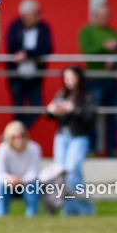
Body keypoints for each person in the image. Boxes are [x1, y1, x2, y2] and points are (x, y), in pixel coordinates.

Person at [46, 66, 97, 216]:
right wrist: (51, 110)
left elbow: (90, 118)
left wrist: (73, 109)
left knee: (73, 173)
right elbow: (48, 115)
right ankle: (69, 211)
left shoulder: (87, 96)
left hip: (79, 137)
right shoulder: (61, 94)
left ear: (79, 78)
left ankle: (87, 209)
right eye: (66, 78)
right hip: (62, 137)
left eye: (72, 77)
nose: (69, 81)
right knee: (61, 174)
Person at [78, 3, 117, 156]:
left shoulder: (112, 32)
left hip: (111, 79)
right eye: (103, 15)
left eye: (107, 15)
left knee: (114, 116)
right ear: (95, 15)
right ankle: (92, 150)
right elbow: (86, 51)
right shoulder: (87, 31)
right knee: (92, 115)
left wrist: (115, 58)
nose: (105, 18)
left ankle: (112, 150)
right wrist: (104, 46)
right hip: (94, 79)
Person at [5, 0, 53, 129]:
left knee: (37, 109)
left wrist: (27, 53)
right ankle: (17, 134)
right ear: (24, 15)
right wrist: (22, 54)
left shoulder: (44, 28)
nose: (39, 16)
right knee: (18, 110)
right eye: (36, 13)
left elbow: (47, 48)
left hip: (35, 76)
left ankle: (18, 132)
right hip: (16, 76)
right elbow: (11, 48)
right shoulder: (15, 27)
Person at [0, 121, 42, 217]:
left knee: (33, 187)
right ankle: (0, 217)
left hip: (27, 183)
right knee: (0, 187)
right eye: (14, 137)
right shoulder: (2, 149)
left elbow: (34, 172)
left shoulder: (34, 148)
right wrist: (10, 179)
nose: (19, 140)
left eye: (22, 136)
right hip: (8, 184)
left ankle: (32, 217)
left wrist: (21, 180)